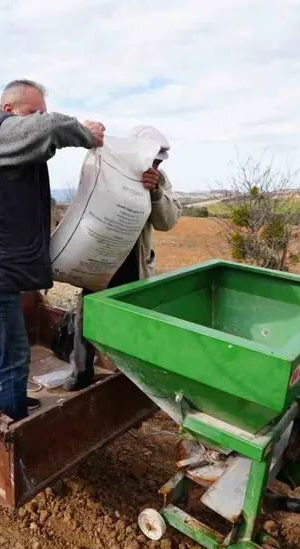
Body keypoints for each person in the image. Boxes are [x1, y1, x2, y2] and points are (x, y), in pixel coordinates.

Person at [0, 79, 106, 420]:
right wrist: (88, 134)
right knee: (14, 353)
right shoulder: (3, 129)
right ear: (8, 109)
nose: (36, 120)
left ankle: (0, 398)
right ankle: (14, 426)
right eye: (32, 113)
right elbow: (53, 125)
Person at [64, 125, 181, 391]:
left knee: (130, 324)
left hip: (135, 266)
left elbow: (168, 222)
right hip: (101, 260)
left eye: (157, 161)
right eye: (150, 158)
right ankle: (80, 373)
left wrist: (156, 193)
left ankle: (127, 381)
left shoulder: (159, 180)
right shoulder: (110, 168)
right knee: (87, 315)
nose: (153, 164)